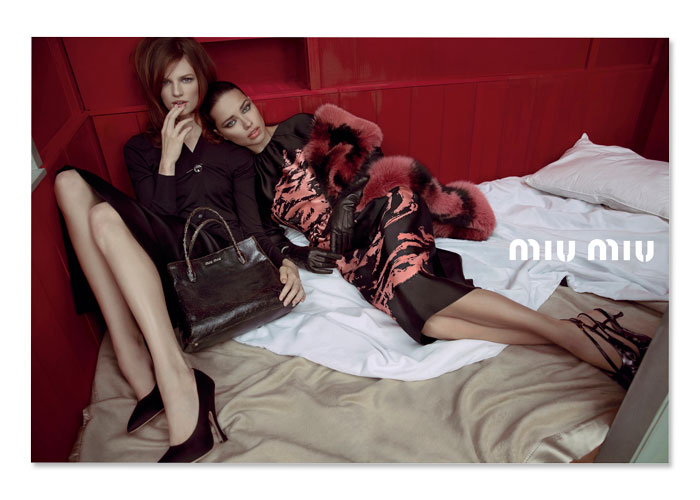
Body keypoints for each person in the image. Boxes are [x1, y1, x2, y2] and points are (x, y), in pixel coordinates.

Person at [200, 81, 652, 390]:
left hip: (382, 208)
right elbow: (263, 235)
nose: (247, 122)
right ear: (219, 134)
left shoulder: (301, 125)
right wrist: (300, 258)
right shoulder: (246, 177)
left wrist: (346, 203)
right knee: (429, 324)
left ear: (252, 102)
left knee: (414, 289)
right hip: (348, 253)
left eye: (245, 108)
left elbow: (369, 148)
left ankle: (579, 342)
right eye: (231, 122)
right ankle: (569, 333)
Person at [53, 38, 305, 462]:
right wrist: (167, 159)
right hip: (165, 268)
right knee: (66, 183)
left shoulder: (230, 151)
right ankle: (138, 363)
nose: (176, 93)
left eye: (186, 80)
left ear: (201, 80)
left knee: (103, 217)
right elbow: (156, 218)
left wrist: (285, 262)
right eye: (166, 83)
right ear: (154, 88)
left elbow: (252, 226)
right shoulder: (140, 149)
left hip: (212, 261)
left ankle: (171, 380)